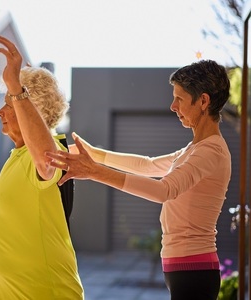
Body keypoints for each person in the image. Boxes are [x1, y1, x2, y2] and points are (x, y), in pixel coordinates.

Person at [46, 59, 231, 300]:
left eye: (180, 99)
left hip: (194, 269)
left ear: (204, 101)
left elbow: (163, 190)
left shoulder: (211, 152)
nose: (173, 106)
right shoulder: (195, 149)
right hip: (183, 267)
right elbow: (148, 165)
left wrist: (94, 172)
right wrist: (96, 155)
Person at [0, 36, 84, 299]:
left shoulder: (50, 150)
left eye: (8, 104)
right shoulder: (16, 156)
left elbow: (46, 158)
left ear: (31, 110)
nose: (0, 112)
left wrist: (16, 88)